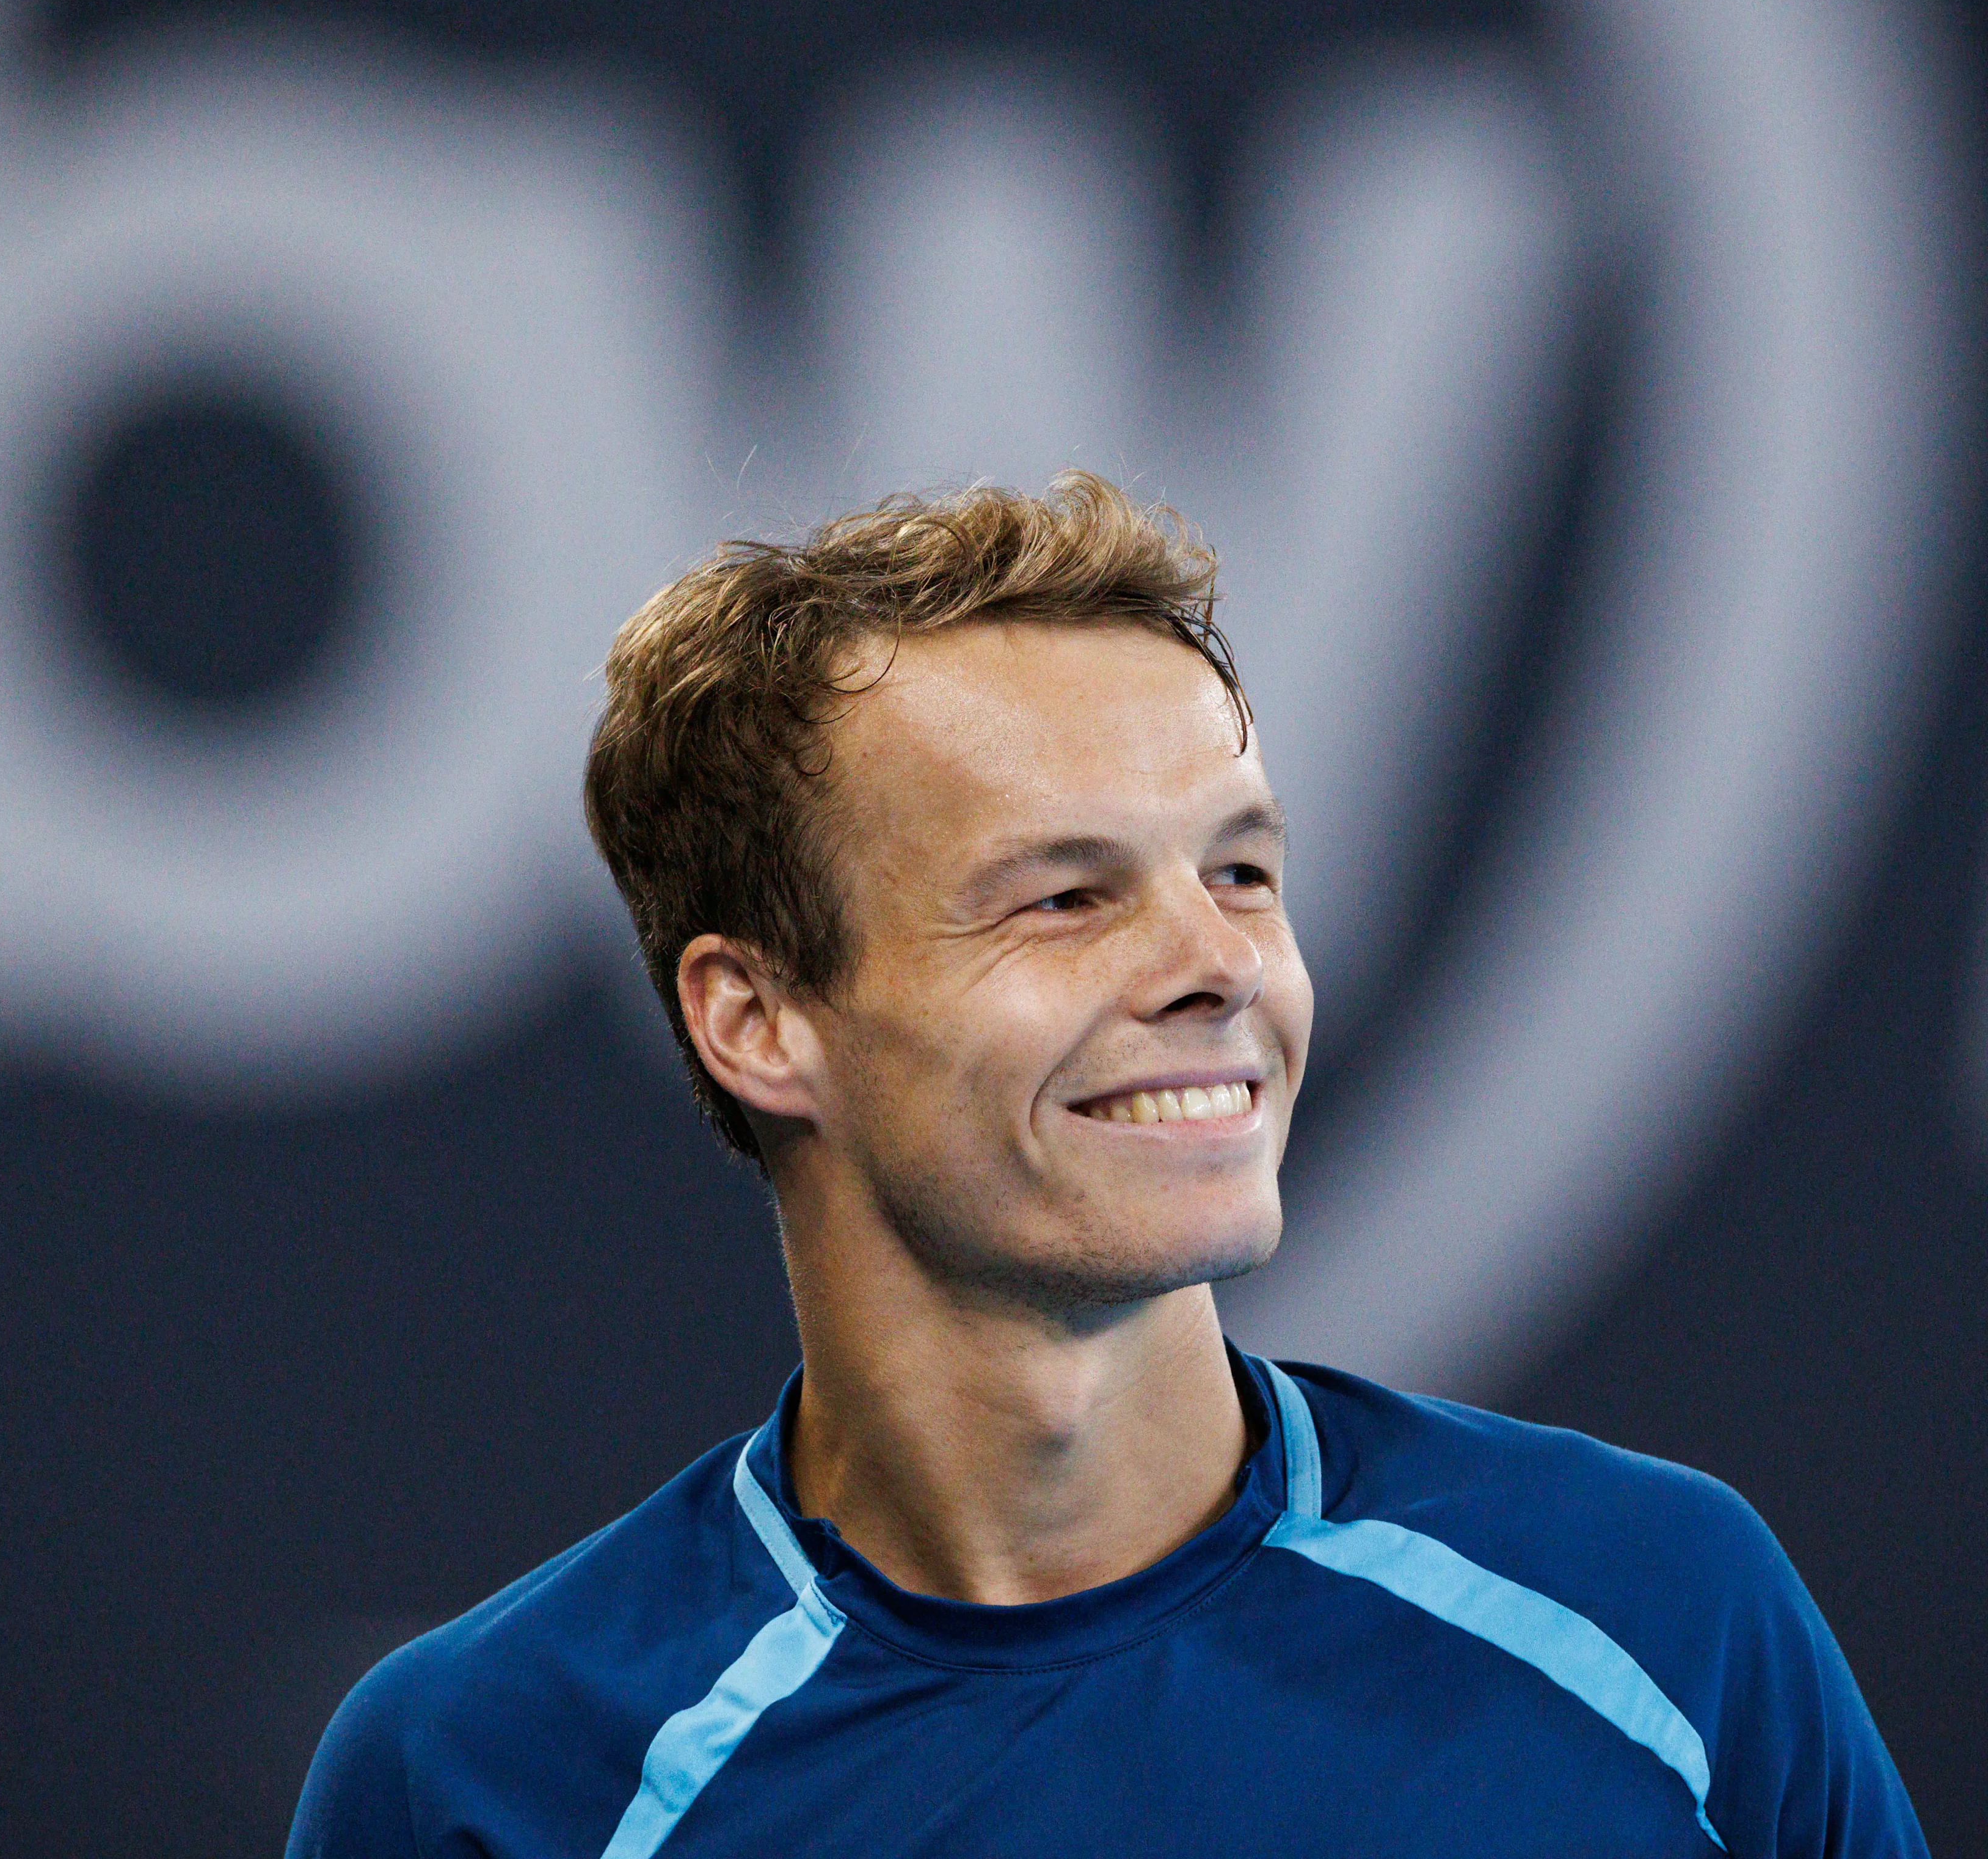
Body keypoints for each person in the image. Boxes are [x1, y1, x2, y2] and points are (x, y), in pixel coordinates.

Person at [288, 473, 1926, 1857]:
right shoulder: (481, 1780)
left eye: (1244, 871)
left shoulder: (1667, 1615)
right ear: (757, 1018)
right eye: (1066, 897)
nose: (1217, 965)